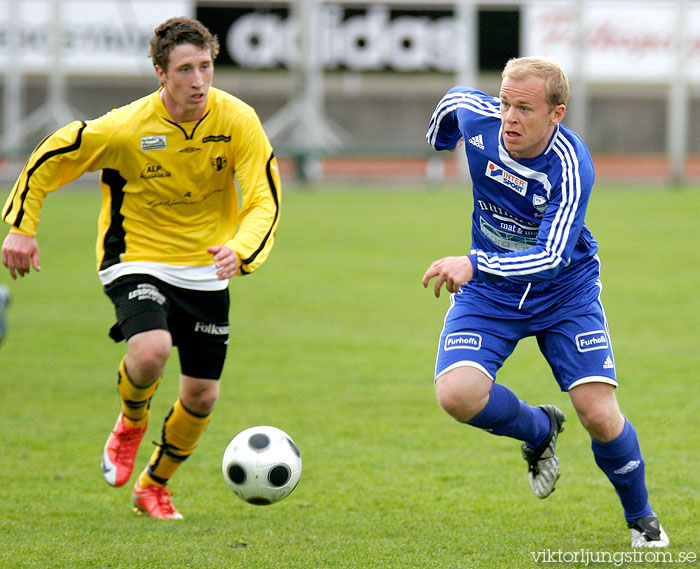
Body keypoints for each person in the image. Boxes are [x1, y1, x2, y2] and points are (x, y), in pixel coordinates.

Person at [2, 17, 281, 520]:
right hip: (136, 256)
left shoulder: (237, 120)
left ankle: (154, 486)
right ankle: (131, 421)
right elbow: (52, 154)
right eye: (185, 69)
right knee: (152, 350)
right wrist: (22, 225)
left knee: (201, 394)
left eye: (206, 67)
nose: (198, 80)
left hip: (205, 266)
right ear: (160, 73)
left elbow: (263, 197)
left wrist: (241, 249)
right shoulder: (127, 127)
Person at [422, 56, 667, 548]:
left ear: (556, 115)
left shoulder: (571, 165)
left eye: (525, 109)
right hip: (492, 291)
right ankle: (539, 428)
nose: (509, 117)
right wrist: (441, 139)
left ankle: (641, 518)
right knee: (457, 395)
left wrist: (475, 262)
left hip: (563, 290)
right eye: (505, 103)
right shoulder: (481, 117)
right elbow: (452, 104)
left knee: (597, 413)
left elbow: (552, 256)